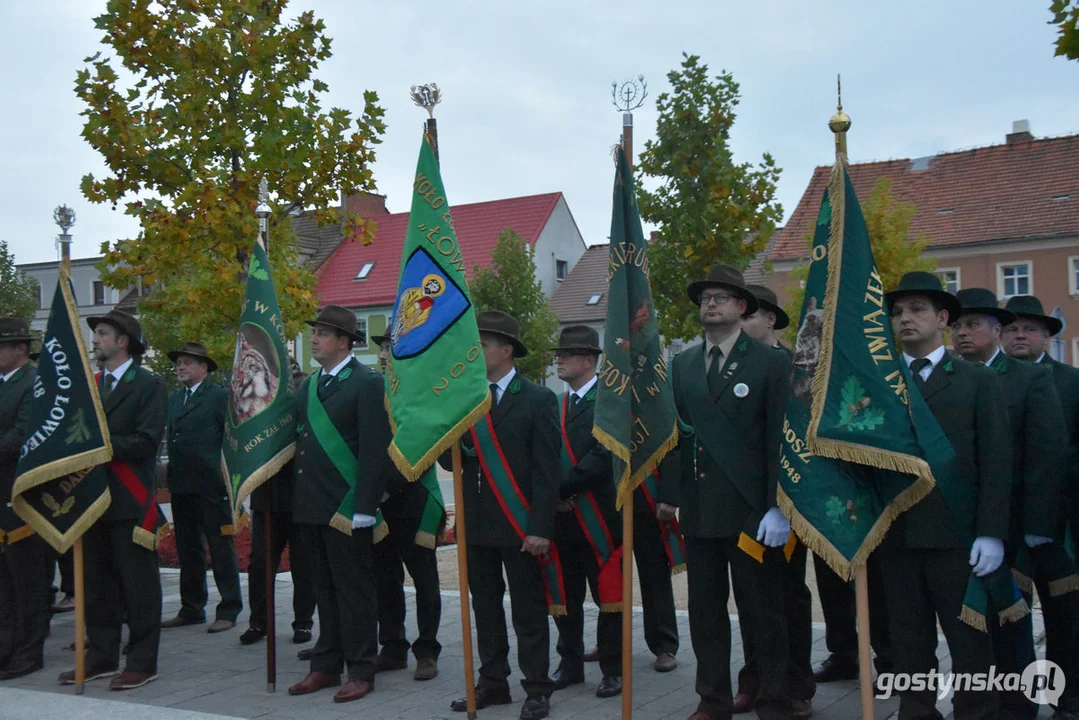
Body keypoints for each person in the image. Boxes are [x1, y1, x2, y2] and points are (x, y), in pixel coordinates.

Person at [666, 264, 797, 720]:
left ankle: (773, 700)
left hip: (752, 514)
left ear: (743, 308)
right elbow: (674, 439)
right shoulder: (681, 364)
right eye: (705, 299)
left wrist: (779, 507)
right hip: (700, 511)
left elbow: (782, 440)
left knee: (763, 613)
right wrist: (669, 496)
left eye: (720, 298)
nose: (710, 305)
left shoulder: (772, 363)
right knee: (705, 614)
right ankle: (713, 699)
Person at [882, 272, 1012, 719]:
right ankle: (916, 712)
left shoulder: (976, 380)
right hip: (896, 537)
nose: (905, 319)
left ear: (942, 318)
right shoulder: (881, 383)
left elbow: (997, 461)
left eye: (917, 309)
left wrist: (992, 533)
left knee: (970, 647)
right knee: (908, 645)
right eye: (898, 312)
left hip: (957, 538)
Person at [951, 287, 1071, 719]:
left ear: (995, 331)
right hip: (969, 521)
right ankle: (991, 700)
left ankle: (1039, 701)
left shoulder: (1035, 379)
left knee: (1029, 619)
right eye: (958, 325)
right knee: (982, 621)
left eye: (973, 324)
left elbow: (1048, 453)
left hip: (1026, 523)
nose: (963, 333)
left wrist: (1040, 524)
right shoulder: (952, 376)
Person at [447, 311, 559, 720]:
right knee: (486, 609)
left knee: (528, 611)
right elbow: (449, 462)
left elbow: (548, 472)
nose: (476, 351)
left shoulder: (538, 399)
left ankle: (537, 688)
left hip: (520, 525)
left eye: (483, 344)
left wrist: (540, 528)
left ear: (506, 350)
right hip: (477, 524)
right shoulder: (470, 397)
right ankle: (493, 683)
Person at [287, 305, 397, 704]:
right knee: (324, 589)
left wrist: (365, 506)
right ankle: (325, 665)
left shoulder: (366, 382)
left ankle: (362, 668)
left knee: (355, 592)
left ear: (345, 342)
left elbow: (374, 450)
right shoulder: (310, 385)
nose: (314, 339)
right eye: (315, 332)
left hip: (348, 506)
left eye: (322, 333)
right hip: (312, 505)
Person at [58, 309, 167, 690]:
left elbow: (146, 440)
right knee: (97, 584)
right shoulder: (90, 384)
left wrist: (100, 446)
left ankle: (141, 660)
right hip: (90, 498)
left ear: (123, 341)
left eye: (102, 333)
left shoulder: (148, 384)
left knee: (138, 587)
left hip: (128, 499)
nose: (96, 340)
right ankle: (101, 655)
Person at [729, 284, 815, 717]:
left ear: (769, 320)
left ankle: (795, 683)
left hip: (783, 500)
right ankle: (755, 677)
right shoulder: (731, 369)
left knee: (786, 598)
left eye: (748, 317)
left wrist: (782, 503)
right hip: (741, 500)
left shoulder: (787, 366)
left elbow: (795, 439)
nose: (740, 325)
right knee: (749, 598)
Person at [1001, 294, 1079, 719]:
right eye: (1011, 328)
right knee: (1011, 619)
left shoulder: (1071, 381)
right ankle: (1018, 699)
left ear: (1047, 337)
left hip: (1061, 525)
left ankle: (1071, 697)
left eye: (1030, 329)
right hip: (1009, 522)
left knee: (1067, 617)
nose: (1020, 335)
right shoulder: (991, 379)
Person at [547, 325, 621, 700]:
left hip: (600, 517)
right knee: (566, 596)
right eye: (558, 354)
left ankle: (612, 668)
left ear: (590, 360)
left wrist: (559, 488)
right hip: (562, 520)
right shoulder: (555, 405)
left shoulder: (609, 401)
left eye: (568, 354)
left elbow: (602, 456)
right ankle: (570, 664)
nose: (559, 359)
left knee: (609, 596)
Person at [369, 333, 443, 682]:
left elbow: (426, 446)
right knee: (386, 578)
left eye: (390, 349)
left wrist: (385, 486)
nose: (384, 355)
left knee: (424, 579)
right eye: (382, 349)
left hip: (413, 498)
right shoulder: (372, 390)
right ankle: (393, 646)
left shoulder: (421, 392)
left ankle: (427, 650)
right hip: (380, 503)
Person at [161, 342, 242, 634]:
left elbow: (232, 440)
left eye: (188, 362)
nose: (181, 367)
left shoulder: (218, 396)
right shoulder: (174, 399)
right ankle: (191, 608)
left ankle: (229, 608)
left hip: (212, 486)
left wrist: (227, 480)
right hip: (182, 485)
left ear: (204, 367)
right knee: (189, 550)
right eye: (179, 362)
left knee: (221, 549)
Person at [239, 358, 316, 648]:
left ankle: (304, 622)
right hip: (267, 496)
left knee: (303, 564)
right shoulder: (259, 396)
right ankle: (258, 621)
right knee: (260, 563)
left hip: (300, 495)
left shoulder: (305, 388)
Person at [0, 318, 51, 680]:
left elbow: (21, 435)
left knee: (28, 578)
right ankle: (6, 646)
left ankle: (30, 649)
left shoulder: (34, 383)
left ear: (20, 349)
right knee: (4, 581)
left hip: (24, 494)